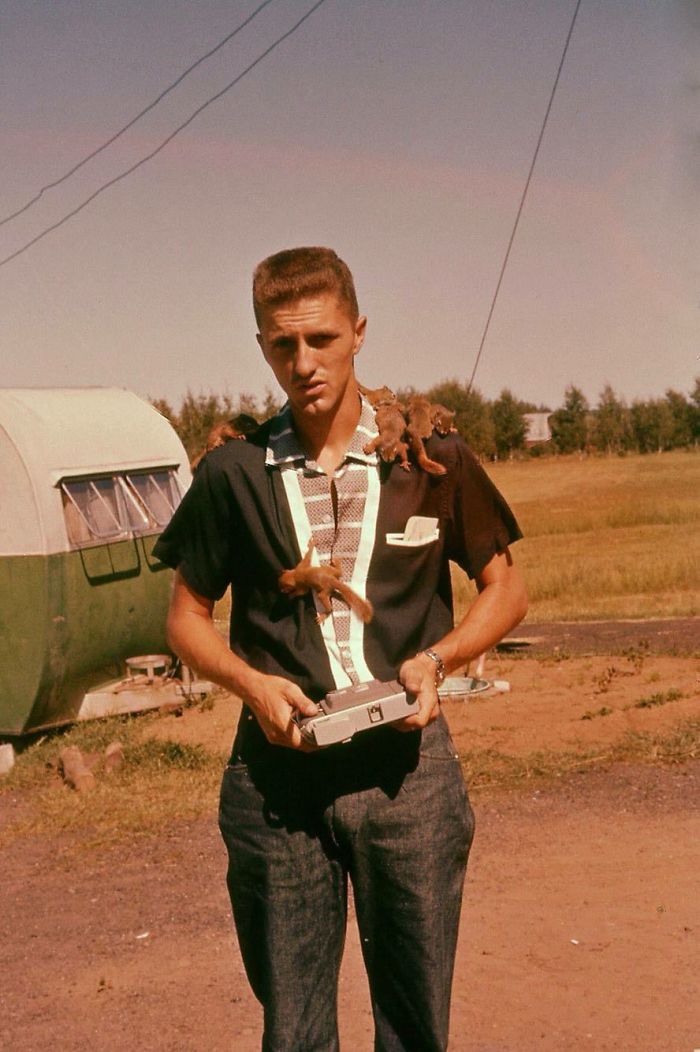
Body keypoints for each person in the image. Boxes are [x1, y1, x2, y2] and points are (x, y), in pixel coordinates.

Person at [154, 246, 528, 1052]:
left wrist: (437, 662)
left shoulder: (430, 460)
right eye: (283, 345)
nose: (304, 362)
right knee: (293, 1032)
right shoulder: (233, 472)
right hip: (277, 787)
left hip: (409, 777)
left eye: (321, 339)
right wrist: (251, 684)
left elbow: (508, 590)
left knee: (415, 1023)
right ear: (262, 345)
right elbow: (184, 618)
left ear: (358, 331)